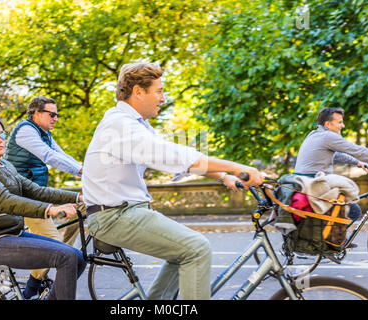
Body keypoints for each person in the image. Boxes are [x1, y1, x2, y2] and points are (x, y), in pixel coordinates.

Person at [82, 62, 264, 300]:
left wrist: (222, 175)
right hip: (115, 217)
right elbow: (172, 156)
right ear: (138, 91)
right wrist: (239, 167)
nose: (163, 98)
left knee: (184, 252)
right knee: (196, 249)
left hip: (125, 213)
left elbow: (174, 157)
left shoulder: (135, 124)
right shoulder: (120, 125)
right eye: (159, 91)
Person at [0, 113, 86, 300]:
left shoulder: (5, 165)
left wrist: (80, 197)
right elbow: (5, 200)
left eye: (2, 134)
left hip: (12, 234)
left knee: (77, 257)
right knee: (65, 257)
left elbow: (37, 191)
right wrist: (49, 209)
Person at [3, 96, 83, 298]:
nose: (56, 118)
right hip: (22, 196)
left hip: (37, 192)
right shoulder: (26, 130)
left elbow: (61, 154)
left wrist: (84, 170)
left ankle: (42, 275)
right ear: (36, 114)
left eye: (57, 114)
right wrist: (81, 170)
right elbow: (49, 156)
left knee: (79, 214)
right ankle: (31, 289)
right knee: (54, 247)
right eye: (52, 114)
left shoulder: (44, 133)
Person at [294, 107, 368, 222]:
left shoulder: (315, 134)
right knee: (354, 211)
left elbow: (336, 154)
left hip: (304, 183)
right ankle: (336, 239)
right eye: (339, 122)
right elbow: (357, 150)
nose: (342, 125)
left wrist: (357, 162)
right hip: (314, 185)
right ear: (328, 124)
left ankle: (330, 238)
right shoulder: (328, 136)